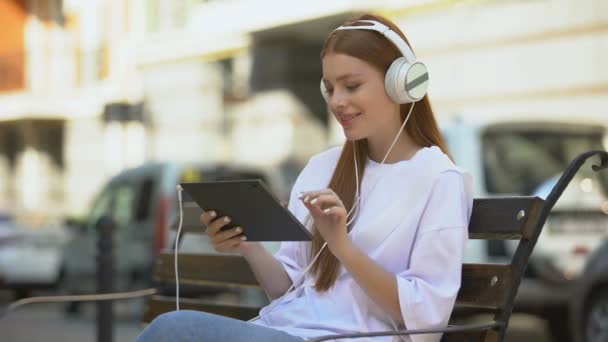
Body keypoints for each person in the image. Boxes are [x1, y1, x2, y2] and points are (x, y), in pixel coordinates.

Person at [137, 13, 473, 342]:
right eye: (329, 88)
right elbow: (286, 289)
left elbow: (427, 319)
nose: (337, 101)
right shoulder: (323, 167)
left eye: (352, 85)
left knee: (175, 330)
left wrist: (342, 246)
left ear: (401, 83)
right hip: (288, 330)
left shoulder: (438, 178)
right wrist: (248, 245)